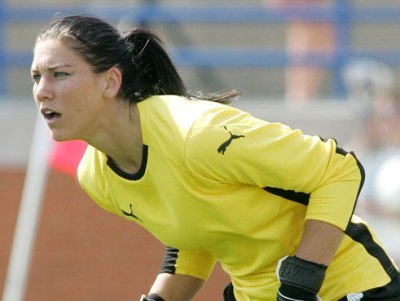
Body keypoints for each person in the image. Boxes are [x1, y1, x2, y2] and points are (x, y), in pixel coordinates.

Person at [30, 14, 400, 301]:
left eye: (59, 74)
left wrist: (299, 286)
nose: (42, 91)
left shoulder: (198, 134)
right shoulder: (95, 177)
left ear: (111, 82)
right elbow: (195, 232)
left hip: (350, 286)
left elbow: (339, 169)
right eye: (35, 77)